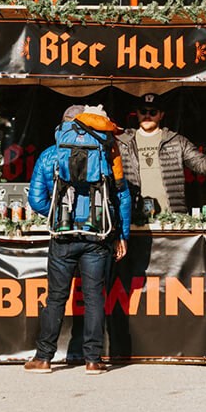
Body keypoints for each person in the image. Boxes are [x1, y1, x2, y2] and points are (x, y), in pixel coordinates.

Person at [23, 104, 131, 375]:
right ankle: (93, 360)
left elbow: (36, 199)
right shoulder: (107, 153)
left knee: (56, 298)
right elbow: (122, 196)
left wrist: (56, 214)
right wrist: (122, 235)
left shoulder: (50, 155)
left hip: (63, 235)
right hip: (97, 236)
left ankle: (43, 358)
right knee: (94, 298)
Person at [116, 92, 206, 216]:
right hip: (134, 216)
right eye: (143, 111)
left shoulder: (176, 141)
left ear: (161, 115)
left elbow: (204, 167)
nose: (147, 116)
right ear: (137, 113)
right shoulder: (123, 142)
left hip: (172, 217)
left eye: (153, 112)